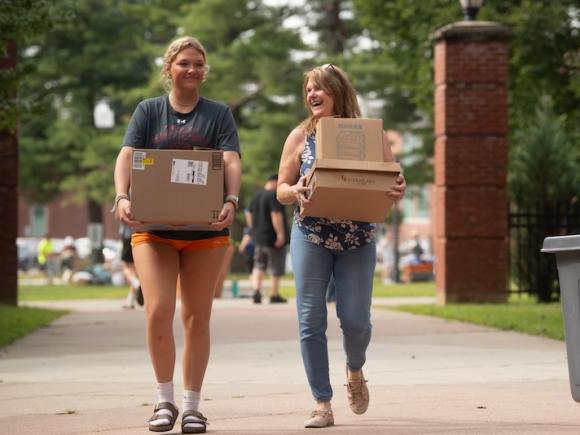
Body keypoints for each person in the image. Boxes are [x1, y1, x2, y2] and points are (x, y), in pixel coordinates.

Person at [112, 36, 241, 434]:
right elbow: (128, 155)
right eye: (184, 63)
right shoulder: (149, 111)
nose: (192, 70)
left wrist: (232, 199)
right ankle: (163, 400)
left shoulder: (218, 114)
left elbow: (230, 159)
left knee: (196, 317)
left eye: (199, 64)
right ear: (169, 68)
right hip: (154, 231)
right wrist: (121, 195)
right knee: (158, 311)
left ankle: (192, 407)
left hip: (206, 231)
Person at [276, 64, 406, 428]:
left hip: (357, 238)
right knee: (310, 318)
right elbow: (281, 189)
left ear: (339, 92)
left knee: (356, 321)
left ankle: (355, 370)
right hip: (312, 234)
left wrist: (398, 187)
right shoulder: (300, 136)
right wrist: (294, 191)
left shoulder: (369, 135)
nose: (312, 95)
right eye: (308, 90)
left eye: (320, 88)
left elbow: (393, 179)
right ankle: (322, 402)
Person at [248, 173, 289, 304]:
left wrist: (252, 228)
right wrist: (280, 234)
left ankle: (256, 291)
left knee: (259, 265)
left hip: (258, 237)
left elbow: (248, 212)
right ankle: (274, 294)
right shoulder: (273, 195)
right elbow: (275, 214)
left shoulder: (257, 195)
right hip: (272, 237)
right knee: (275, 265)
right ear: (275, 182)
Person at [119, 223, 143, 309]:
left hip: (129, 236)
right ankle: (129, 301)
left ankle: (136, 283)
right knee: (136, 271)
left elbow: (119, 216)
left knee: (126, 267)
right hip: (143, 236)